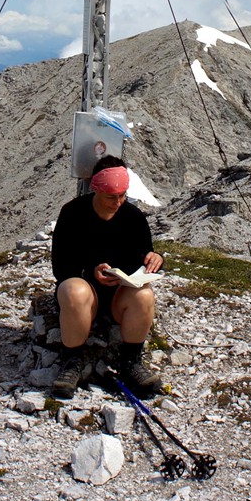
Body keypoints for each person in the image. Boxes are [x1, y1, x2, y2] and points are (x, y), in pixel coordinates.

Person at [49, 155, 164, 398]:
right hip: (85, 292)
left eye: (123, 195)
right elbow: (61, 267)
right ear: (97, 190)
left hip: (117, 296)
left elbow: (144, 255)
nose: (118, 202)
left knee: (144, 295)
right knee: (74, 290)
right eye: (112, 196)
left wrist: (156, 259)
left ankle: (131, 361)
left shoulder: (133, 217)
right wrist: (90, 272)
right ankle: (72, 361)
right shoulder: (72, 213)